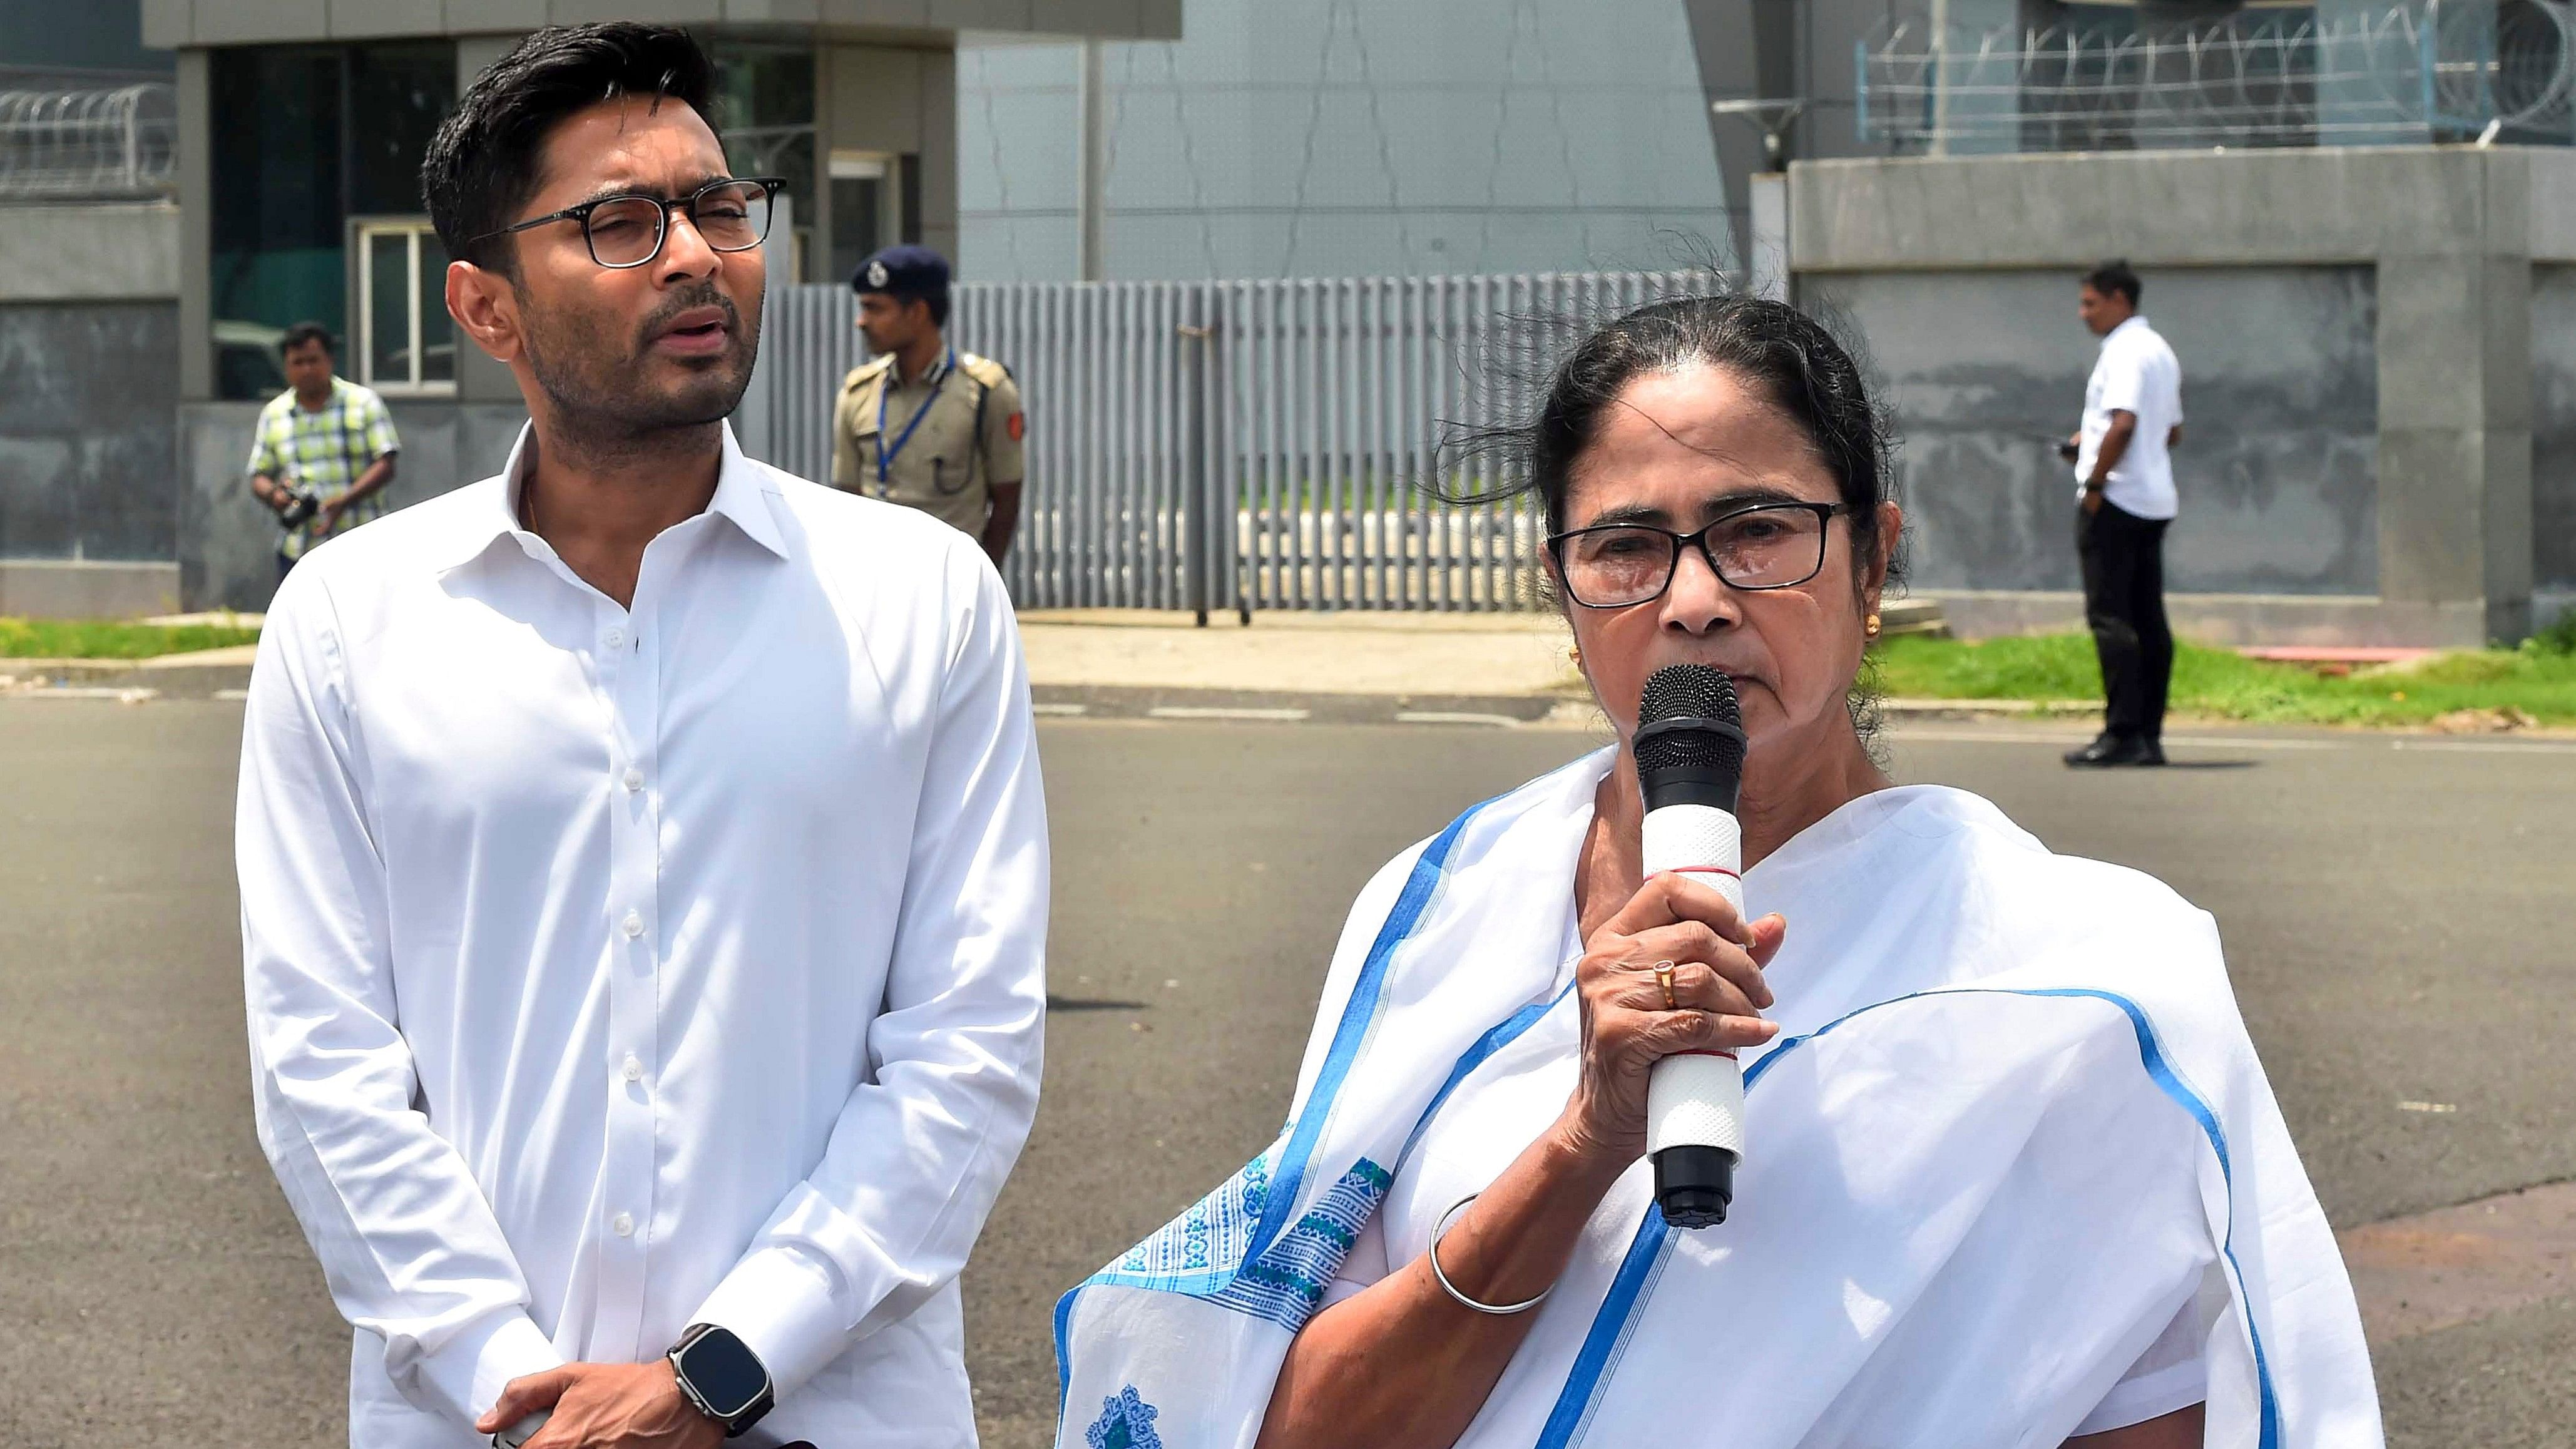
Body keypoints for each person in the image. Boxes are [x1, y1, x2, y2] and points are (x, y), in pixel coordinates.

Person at [1054, 296, 2378, 1449]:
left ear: (1873, 559)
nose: (1692, 598)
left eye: (1756, 528)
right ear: (1564, 596)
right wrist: (1581, 1143)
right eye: (1625, 546)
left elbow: (2143, 1406)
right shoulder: (1442, 902)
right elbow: (1292, 1420)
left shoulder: (2084, 984)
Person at [237, 24, 1047, 1449]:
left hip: (831, 1410)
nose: (694, 254)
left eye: (719, 208)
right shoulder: (349, 622)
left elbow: (966, 1053)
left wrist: (724, 1366)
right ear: (484, 306)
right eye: (621, 221)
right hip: (477, 1419)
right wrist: (514, 1378)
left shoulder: (920, 602)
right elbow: (322, 1068)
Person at [831, 244, 1026, 564]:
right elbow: (847, 497)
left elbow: (1006, 500)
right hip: (874, 580)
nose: (861, 321)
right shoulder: (859, 392)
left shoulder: (987, 392)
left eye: (875, 308)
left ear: (918, 313)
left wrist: (982, 580)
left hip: (950, 584)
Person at [2064, 260, 2184, 769]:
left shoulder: (2125, 351)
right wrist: (2085, 443)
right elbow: (2171, 431)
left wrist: (2094, 481)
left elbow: (2124, 424)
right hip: (2154, 499)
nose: (2083, 313)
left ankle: (2122, 733)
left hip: (2116, 500)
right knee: (2148, 618)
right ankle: (2148, 735)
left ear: (2119, 299)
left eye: (2091, 302)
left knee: (2112, 618)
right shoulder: (2158, 349)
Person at [245, 321, 400, 583]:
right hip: (300, 550)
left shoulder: (362, 402)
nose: (307, 370)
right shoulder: (275, 414)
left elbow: (386, 462)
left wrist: (345, 500)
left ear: (329, 361)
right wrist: (276, 496)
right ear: (286, 366)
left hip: (362, 541)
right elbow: (258, 474)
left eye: (314, 360)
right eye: (298, 362)